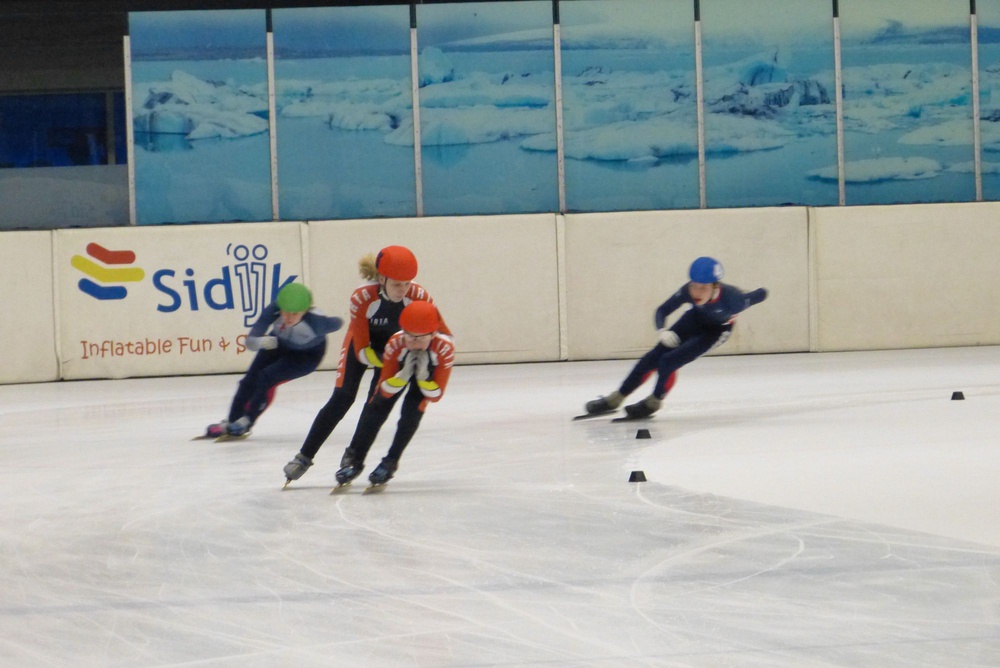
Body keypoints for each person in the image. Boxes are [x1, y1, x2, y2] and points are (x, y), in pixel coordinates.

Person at [282, 245, 448, 483]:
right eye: (396, 284)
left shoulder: (420, 297)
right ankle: (304, 456)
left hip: (395, 348)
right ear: (382, 279)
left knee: (376, 402)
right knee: (342, 397)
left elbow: (437, 334)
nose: (403, 290)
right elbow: (361, 350)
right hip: (365, 346)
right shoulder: (362, 297)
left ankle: (354, 457)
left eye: (407, 283)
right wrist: (383, 360)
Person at [583, 256, 767, 420]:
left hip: (716, 331)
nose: (697, 292)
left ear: (715, 286)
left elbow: (757, 296)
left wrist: (762, 290)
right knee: (650, 359)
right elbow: (663, 310)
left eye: (703, 287)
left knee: (669, 361)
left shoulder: (733, 300)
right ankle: (616, 399)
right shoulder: (688, 291)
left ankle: (654, 402)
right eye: (694, 285)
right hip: (694, 319)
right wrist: (662, 330)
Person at [333, 300, 455, 487]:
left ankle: (391, 461)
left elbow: (435, 395)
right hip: (400, 367)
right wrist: (403, 375)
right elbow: (384, 390)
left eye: (420, 338)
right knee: (377, 406)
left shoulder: (444, 348)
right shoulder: (396, 342)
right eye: (410, 336)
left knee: (412, 411)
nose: (414, 343)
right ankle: (356, 459)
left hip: (428, 375)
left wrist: (422, 376)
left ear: (433, 334)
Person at [204, 282, 344, 438]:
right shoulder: (273, 309)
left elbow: (339, 322)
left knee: (267, 377)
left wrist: (328, 320)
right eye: (285, 312)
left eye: (295, 314)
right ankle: (232, 420)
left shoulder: (317, 323)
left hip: (307, 356)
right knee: (248, 380)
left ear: (305, 311)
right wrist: (259, 341)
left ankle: (247, 420)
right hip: (277, 343)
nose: (289, 318)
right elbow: (250, 341)